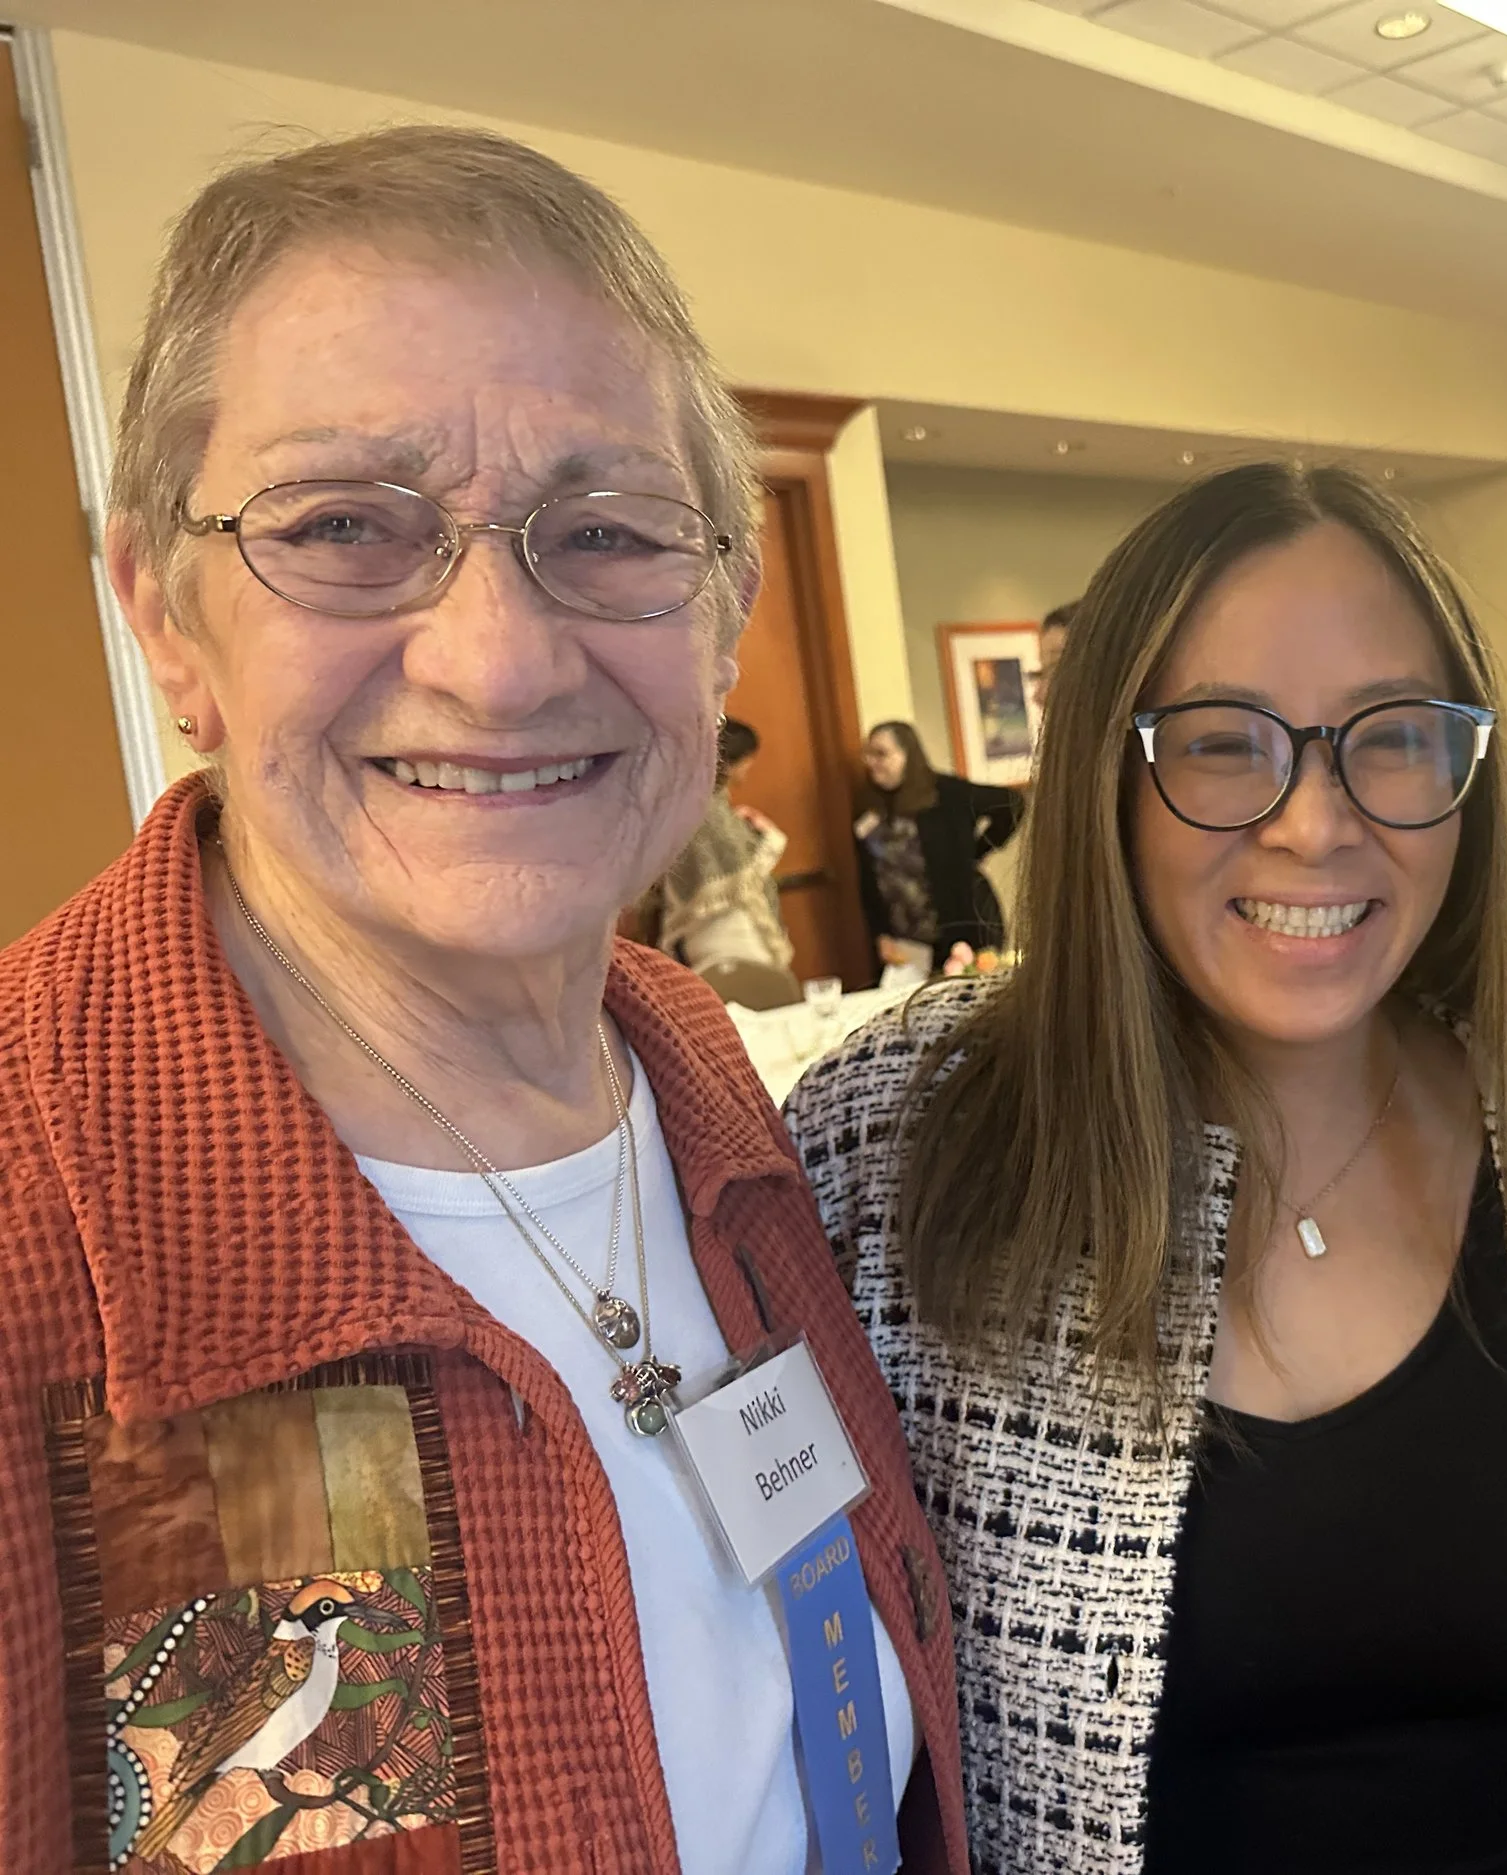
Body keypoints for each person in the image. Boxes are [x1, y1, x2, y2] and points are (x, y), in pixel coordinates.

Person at [0, 127, 966, 1874]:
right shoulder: (36, 1226)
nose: (503, 659)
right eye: (345, 527)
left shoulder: (714, 1104)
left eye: (604, 532)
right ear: (162, 613)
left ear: (724, 608)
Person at [787, 463, 1507, 1874]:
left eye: (1390, 737)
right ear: (1104, 774)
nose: (1315, 822)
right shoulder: (903, 1133)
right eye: (1219, 741)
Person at [853, 719, 1021, 966]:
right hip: (907, 941)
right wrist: (880, 934)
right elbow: (869, 879)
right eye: (868, 754)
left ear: (907, 754)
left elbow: (1012, 804)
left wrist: (976, 851)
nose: (871, 762)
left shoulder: (946, 794)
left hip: (961, 928)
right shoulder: (869, 805)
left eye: (881, 754)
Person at [656, 715, 799, 983]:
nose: (749, 767)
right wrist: (771, 838)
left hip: (707, 933)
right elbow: (740, 872)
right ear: (732, 762)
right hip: (727, 933)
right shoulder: (707, 808)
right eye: (748, 759)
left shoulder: (690, 804)